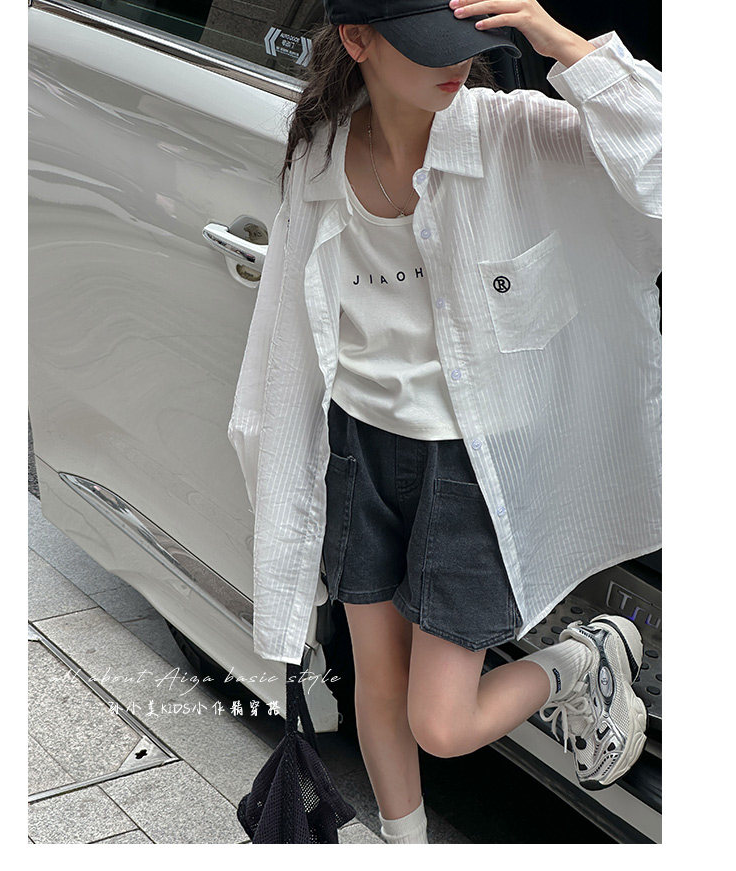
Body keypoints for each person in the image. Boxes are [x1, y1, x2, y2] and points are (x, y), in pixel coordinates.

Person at [227, 0, 661, 844]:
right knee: (378, 687)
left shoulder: (513, 133)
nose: (457, 63)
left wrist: (569, 50)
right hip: (357, 448)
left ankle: (585, 655)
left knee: (441, 722)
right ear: (357, 40)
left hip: (470, 464)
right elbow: (288, 334)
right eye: (427, 47)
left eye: (463, 42)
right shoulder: (320, 151)